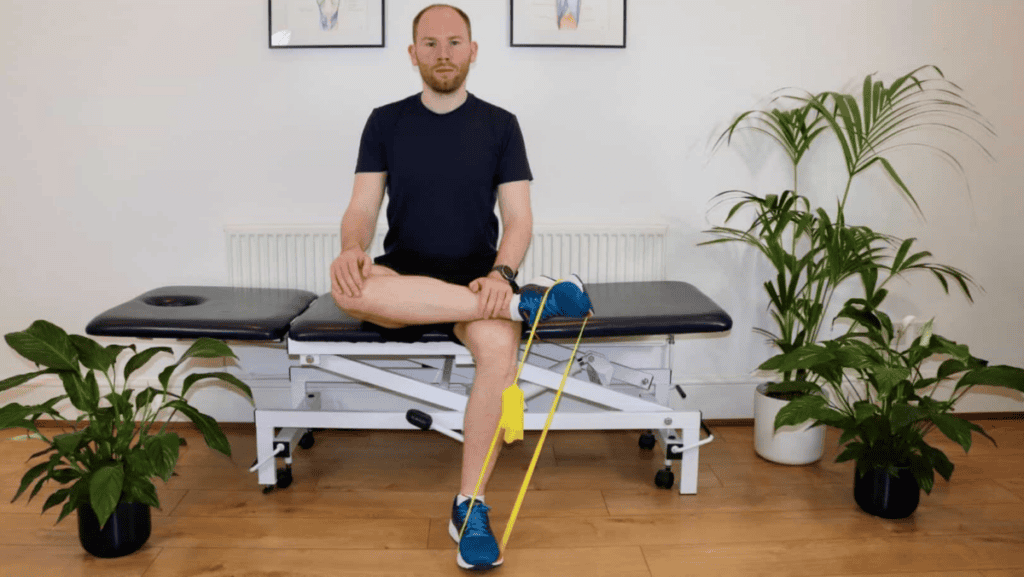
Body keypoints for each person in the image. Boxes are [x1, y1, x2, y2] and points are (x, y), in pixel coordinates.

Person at [329, 4, 592, 571]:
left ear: (473, 51)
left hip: (480, 277)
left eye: (454, 42)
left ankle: (469, 505)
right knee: (351, 287)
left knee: (498, 349)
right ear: (413, 53)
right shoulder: (385, 121)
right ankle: (528, 305)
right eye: (430, 43)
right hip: (404, 276)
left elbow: (518, 219)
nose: (442, 53)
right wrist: (353, 247)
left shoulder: (501, 124)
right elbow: (362, 207)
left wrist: (500, 274)